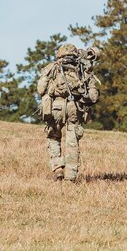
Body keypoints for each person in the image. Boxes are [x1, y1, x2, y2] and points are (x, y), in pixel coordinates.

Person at [37, 43, 99, 181]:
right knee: (72, 142)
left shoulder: (52, 68)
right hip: (75, 108)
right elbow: (93, 96)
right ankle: (70, 178)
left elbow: (41, 89)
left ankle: (58, 168)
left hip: (56, 107)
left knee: (53, 137)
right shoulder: (82, 69)